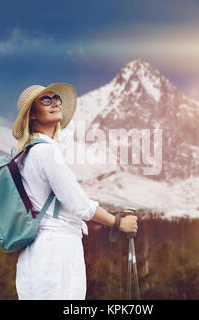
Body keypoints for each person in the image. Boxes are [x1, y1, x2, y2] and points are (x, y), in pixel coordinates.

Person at [12, 83, 138, 300]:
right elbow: (79, 204)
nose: (55, 103)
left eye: (57, 99)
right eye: (45, 100)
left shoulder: (26, 153)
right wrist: (118, 223)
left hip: (35, 254)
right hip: (57, 252)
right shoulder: (46, 153)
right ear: (32, 114)